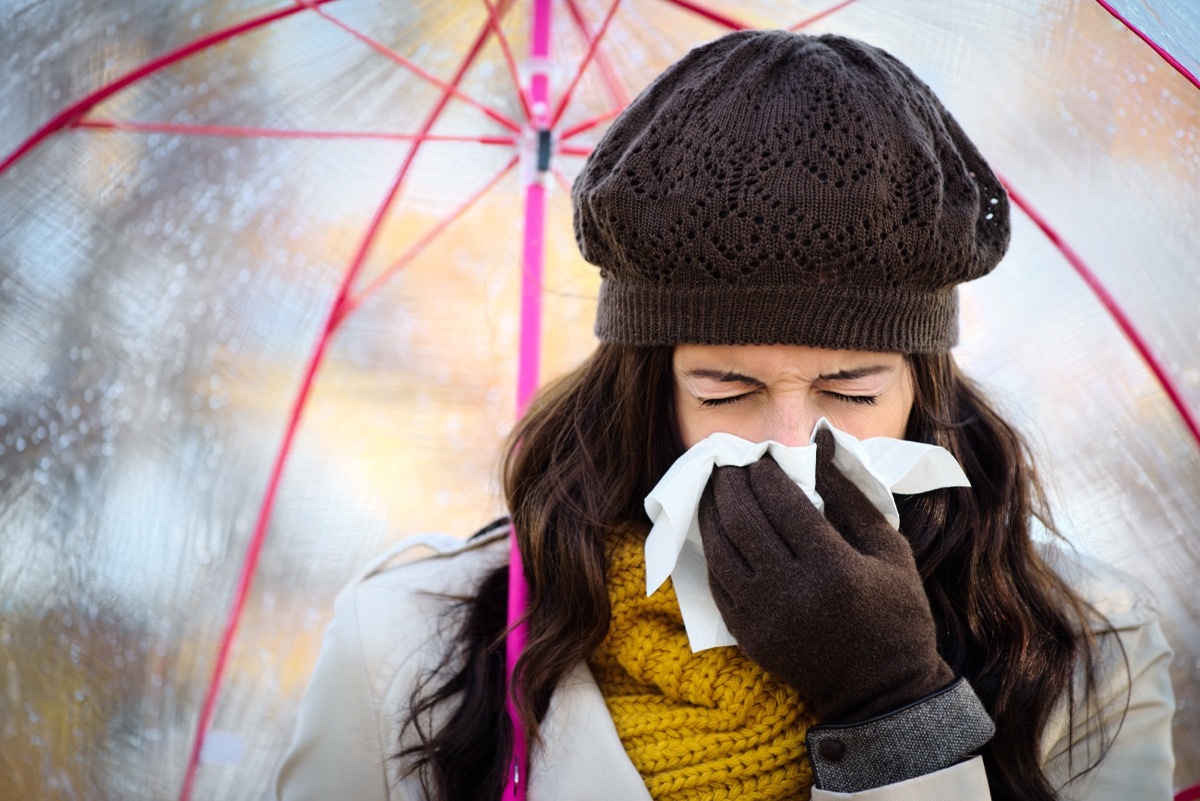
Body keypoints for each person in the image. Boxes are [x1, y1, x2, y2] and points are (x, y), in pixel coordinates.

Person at [274, 30, 1175, 801]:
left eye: (852, 391)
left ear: (923, 390)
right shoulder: (405, 642)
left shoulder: (1087, 649)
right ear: (647, 390)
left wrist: (897, 707)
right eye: (726, 390)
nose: (790, 444)